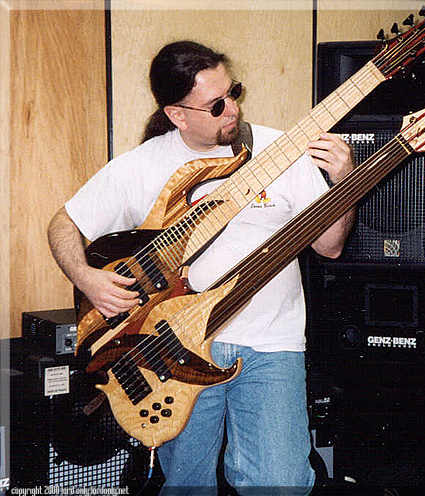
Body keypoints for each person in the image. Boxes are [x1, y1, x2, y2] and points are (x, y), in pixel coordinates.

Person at [47, 40, 355, 495]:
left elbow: (329, 246)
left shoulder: (280, 151)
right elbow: (64, 224)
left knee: (282, 483)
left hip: (271, 345)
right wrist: (87, 279)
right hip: (174, 353)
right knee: (187, 485)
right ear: (177, 114)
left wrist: (343, 182)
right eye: (215, 104)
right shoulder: (142, 167)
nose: (232, 109)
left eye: (233, 93)